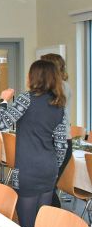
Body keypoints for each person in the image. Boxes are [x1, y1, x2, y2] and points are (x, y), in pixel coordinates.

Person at [0, 60, 67, 227]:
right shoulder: (59, 104)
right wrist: (54, 166)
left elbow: (1, 125)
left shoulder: (26, 99)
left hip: (26, 169)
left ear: (35, 76)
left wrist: (3, 100)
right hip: (48, 168)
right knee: (41, 225)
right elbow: (61, 144)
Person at [41, 53, 73, 208]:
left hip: (59, 141)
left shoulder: (61, 87)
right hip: (50, 140)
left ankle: (52, 223)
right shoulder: (51, 88)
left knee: (48, 186)